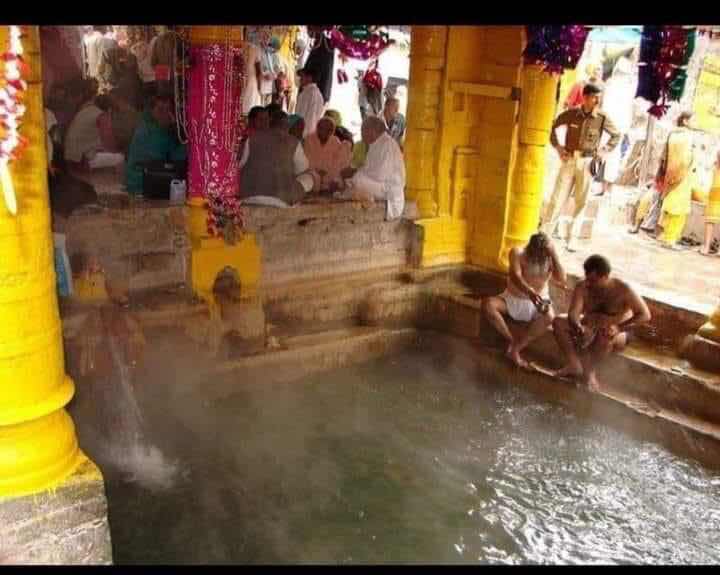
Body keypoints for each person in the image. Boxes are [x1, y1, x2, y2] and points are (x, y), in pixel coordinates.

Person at [552, 254, 651, 391]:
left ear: (605, 276)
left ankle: (590, 372)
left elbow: (645, 315)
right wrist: (579, 327)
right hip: (590, 325)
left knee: (605, 335)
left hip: (618, 330)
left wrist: (618, 328)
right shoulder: (582, 286)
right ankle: (574, 364)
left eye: (593, 280)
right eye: (587, 278)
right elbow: (573, 313)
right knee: (558, 322)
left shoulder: (623, 289)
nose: (589, 283)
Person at [543, 84, 620, 252]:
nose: (597, 100)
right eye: (594, 97)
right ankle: (545, 237)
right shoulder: (572, 113)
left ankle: (571, 239)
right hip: (569, 160)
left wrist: (604, 151)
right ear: (585, 97)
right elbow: (551, 127)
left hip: (587, 162)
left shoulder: (601, 117)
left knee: (581, 201)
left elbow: (616, 135)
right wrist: (558, 148)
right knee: (557, 198)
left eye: (599, 97)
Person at [483, 232, 566, 369]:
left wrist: (553, 254)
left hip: (539, 301)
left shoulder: (550, 258)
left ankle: (516, 349)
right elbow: (515, 276)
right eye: (537, 254)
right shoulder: (517, 253)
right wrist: (530, 292)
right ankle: (510, 340)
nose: (540, 257)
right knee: (488, 304)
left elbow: (562, 279)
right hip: (513, 299)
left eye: (544, 254)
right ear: (530, 248)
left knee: (550, 317)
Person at [239, 108, 314, 206]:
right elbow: (302, 169)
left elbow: (241, 164)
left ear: (270, 123)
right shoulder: (294, 142)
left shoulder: (252, 138)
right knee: (309, 176)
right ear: (287, 126)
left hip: (249, 196)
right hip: (280, 199)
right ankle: (292, 200)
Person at [339, 116, 405, 220]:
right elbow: (368, 168)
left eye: (363, 130)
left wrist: (357, 172)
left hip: (388, 190)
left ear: (372, 131)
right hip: (380, 185)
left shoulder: (387, 144)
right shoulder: (376, 144)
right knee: (353, 179)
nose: (361, 134)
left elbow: (381, 175)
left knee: (358, 179)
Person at [125, 94, 187, 196]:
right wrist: (174, 128)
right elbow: (173, 159)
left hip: (147, 182)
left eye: (168, 110)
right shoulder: (148, 130)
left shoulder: (161, 129)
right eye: (161, 110)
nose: (165, 114)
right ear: (152, 111)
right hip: (141, 184)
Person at [656, 112, 697, 249]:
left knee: (670, 205)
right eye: (693, 120)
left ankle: (664, 237)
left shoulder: (673, 134)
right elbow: (686, 159)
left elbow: (665, 157)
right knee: (679, 209)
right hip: (682, 176)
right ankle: (671, 240)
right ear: (685, 121)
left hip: (670, 174)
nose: (695, 122)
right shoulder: (687, 136)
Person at [303, 117, 352, 192]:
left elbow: (338, 162)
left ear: (332, 131)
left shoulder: (335, 141)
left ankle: (330, 184)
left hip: (329, 175)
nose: (326, 131)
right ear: (317, 128)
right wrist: (317, 171)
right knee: (309, 177)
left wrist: (328, 172)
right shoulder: (309, 139)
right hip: (312, 173)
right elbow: (307, 158)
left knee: (346, 146)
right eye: (323, 128)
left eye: (330, 130)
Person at [295, 67, 325, 138]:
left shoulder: (307, 93)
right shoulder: (319, 94)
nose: (300, 79)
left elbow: (300, 115)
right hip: (311, 133)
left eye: (302, 76)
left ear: (309, 78)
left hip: (301, 132)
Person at [701, 151, 720, 256]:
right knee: (710, 222)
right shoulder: (715, 166)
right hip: (715, 194)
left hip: (714, 195)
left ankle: (706, 248)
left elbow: (708, 168)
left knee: (710, 222)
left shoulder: (715, 166)